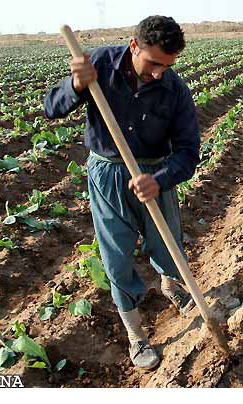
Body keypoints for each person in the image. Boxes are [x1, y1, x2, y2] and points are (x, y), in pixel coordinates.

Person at [44, 15, 200, 369]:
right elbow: (51, 108)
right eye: (154, 63)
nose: (160, 72)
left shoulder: (174, 88)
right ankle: (136, 333)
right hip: (108, 173)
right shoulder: (99, 65)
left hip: (154, 173)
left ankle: (171, 285)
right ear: (134, 46)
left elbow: (189, 152)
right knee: (116, 253)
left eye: (168, 66)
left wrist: (160, 178)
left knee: (168, 243)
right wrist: (76, 86)